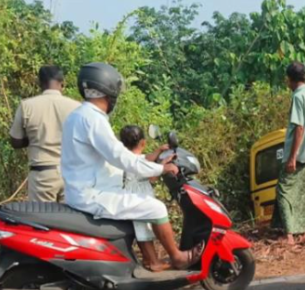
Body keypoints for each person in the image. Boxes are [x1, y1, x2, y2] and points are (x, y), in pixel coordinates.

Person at [61, 62, 202, 270]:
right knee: (156, 206)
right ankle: (177, 257)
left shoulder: (77, 115)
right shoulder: (93, 119)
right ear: (108, 91)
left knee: (139, 206)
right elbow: (122, 158)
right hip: (93, 195)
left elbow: (117, 156)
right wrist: (161, 169)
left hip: (85, 190)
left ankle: (152, 261)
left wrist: (152, 162)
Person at [9, 65, 80, 202]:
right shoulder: (76, 107)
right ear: (62, 83)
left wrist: (34, 138)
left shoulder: (27, 106)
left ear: (40, 83)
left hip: (42, 174)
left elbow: (15, 141)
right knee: (69, 221)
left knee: (42, 221)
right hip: (71, 174)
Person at [271, 61, 305, 245]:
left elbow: (299, 127)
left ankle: (289, 235)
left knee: (282, 191)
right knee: (302, 193)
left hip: (296, 155)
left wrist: (291, 157)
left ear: (290, 80)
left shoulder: (298, 97)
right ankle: (302, 231)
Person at [119, 125, 172, 272]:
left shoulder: (126, 158)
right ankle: (155, 262)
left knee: (142, 230)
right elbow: (153, 176)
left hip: (131, 196)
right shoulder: (137, 162)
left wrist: (159, 151)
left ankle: (148, 260)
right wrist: (163, 165)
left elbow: (145, 158)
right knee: (144, 230)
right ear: (143, 142)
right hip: (139, 198)